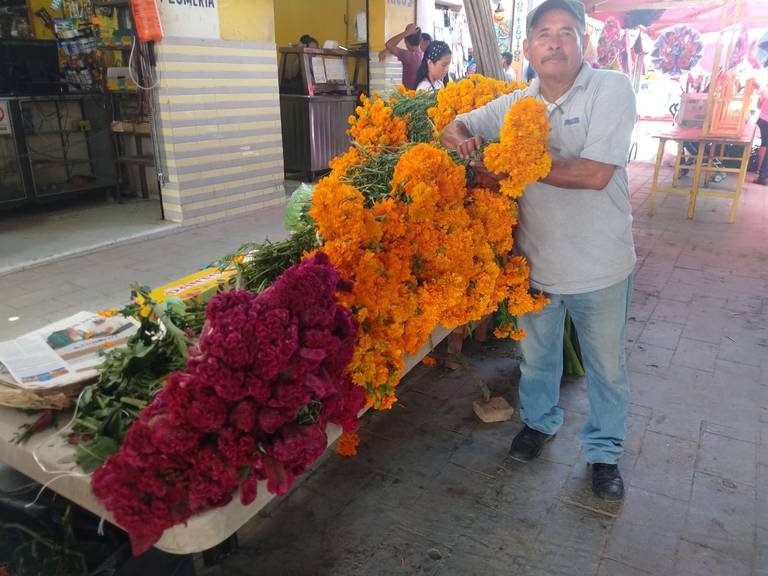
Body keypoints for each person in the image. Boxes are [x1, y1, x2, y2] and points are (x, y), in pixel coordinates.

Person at [440, 0, 636, 501]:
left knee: (606, 369)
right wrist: (464, 142)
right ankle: (540, 424)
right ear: (527, 48)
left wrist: (513, 168)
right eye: (543, 33)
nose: (554, 42)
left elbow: (595, 174)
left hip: (601, 265)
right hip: (538, 265)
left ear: (582, 44)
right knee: (537, 360)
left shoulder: (610, 89)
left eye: (566, 32)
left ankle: (604, 453)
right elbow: (453, 125)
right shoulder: (515, 103)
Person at [384, 23, 424, 90]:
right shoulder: (423, 55)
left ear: (406, 41)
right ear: (421, 41)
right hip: (420, 95)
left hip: (409, 97)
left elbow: (389, 44)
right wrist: (388, 50)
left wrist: (406, 32)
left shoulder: (408, 56)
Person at [756, 80, 768, 186]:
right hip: (765, 120)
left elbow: (759, 106)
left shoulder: (764, 91)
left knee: (764, 145)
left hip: (763, 119)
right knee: (765, 145)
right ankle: (762, 174)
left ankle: (761, 172)